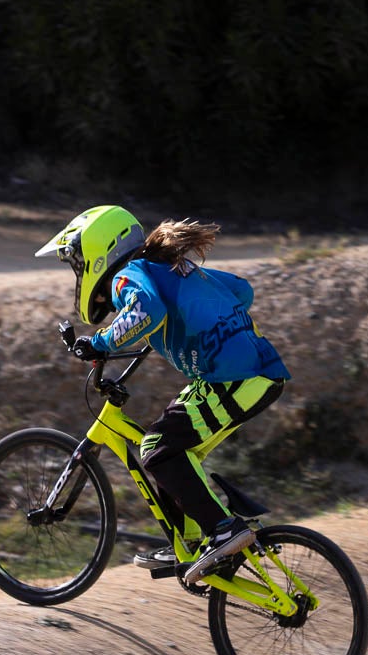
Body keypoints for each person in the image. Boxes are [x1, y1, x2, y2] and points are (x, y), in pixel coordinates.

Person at [36, 205, 290, 584]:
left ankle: (224, 529)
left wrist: (101, 343)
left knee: (154, 447)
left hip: (235, 376)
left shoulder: (127, 276)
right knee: (174, 450)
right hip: (252, 371)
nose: (78, 272)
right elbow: (241, 290)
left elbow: (147, 311)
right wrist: (191, 322)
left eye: (78, 262)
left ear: (98, 252)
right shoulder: (171, 268)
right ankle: (188, 540)